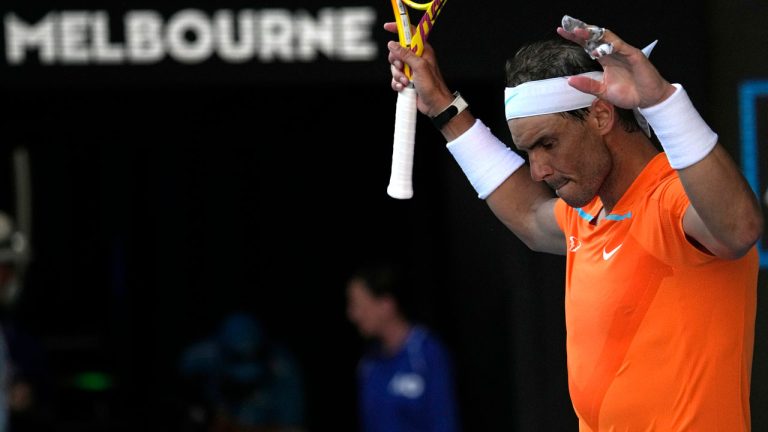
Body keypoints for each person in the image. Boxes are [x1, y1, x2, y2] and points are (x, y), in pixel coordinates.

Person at [385, 14, 762, 432]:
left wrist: (662, 101)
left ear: (601, 116)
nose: (538, 171)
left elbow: (740, 229)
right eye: (529, 152)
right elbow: (529, 216)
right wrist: (442, 105)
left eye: (547, 143)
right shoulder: (588, 213)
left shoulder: (673, 200)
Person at [346, 262, 461, 432]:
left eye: (358, 305)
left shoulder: (426, 354)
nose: (353, 315)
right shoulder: (368, 364)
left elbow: (444, 421)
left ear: (386, 304)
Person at [178, 312, 306, 432]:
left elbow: (293, 428)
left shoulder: (284, 368)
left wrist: (233, 427)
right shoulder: (196, 361)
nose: (244, 383)